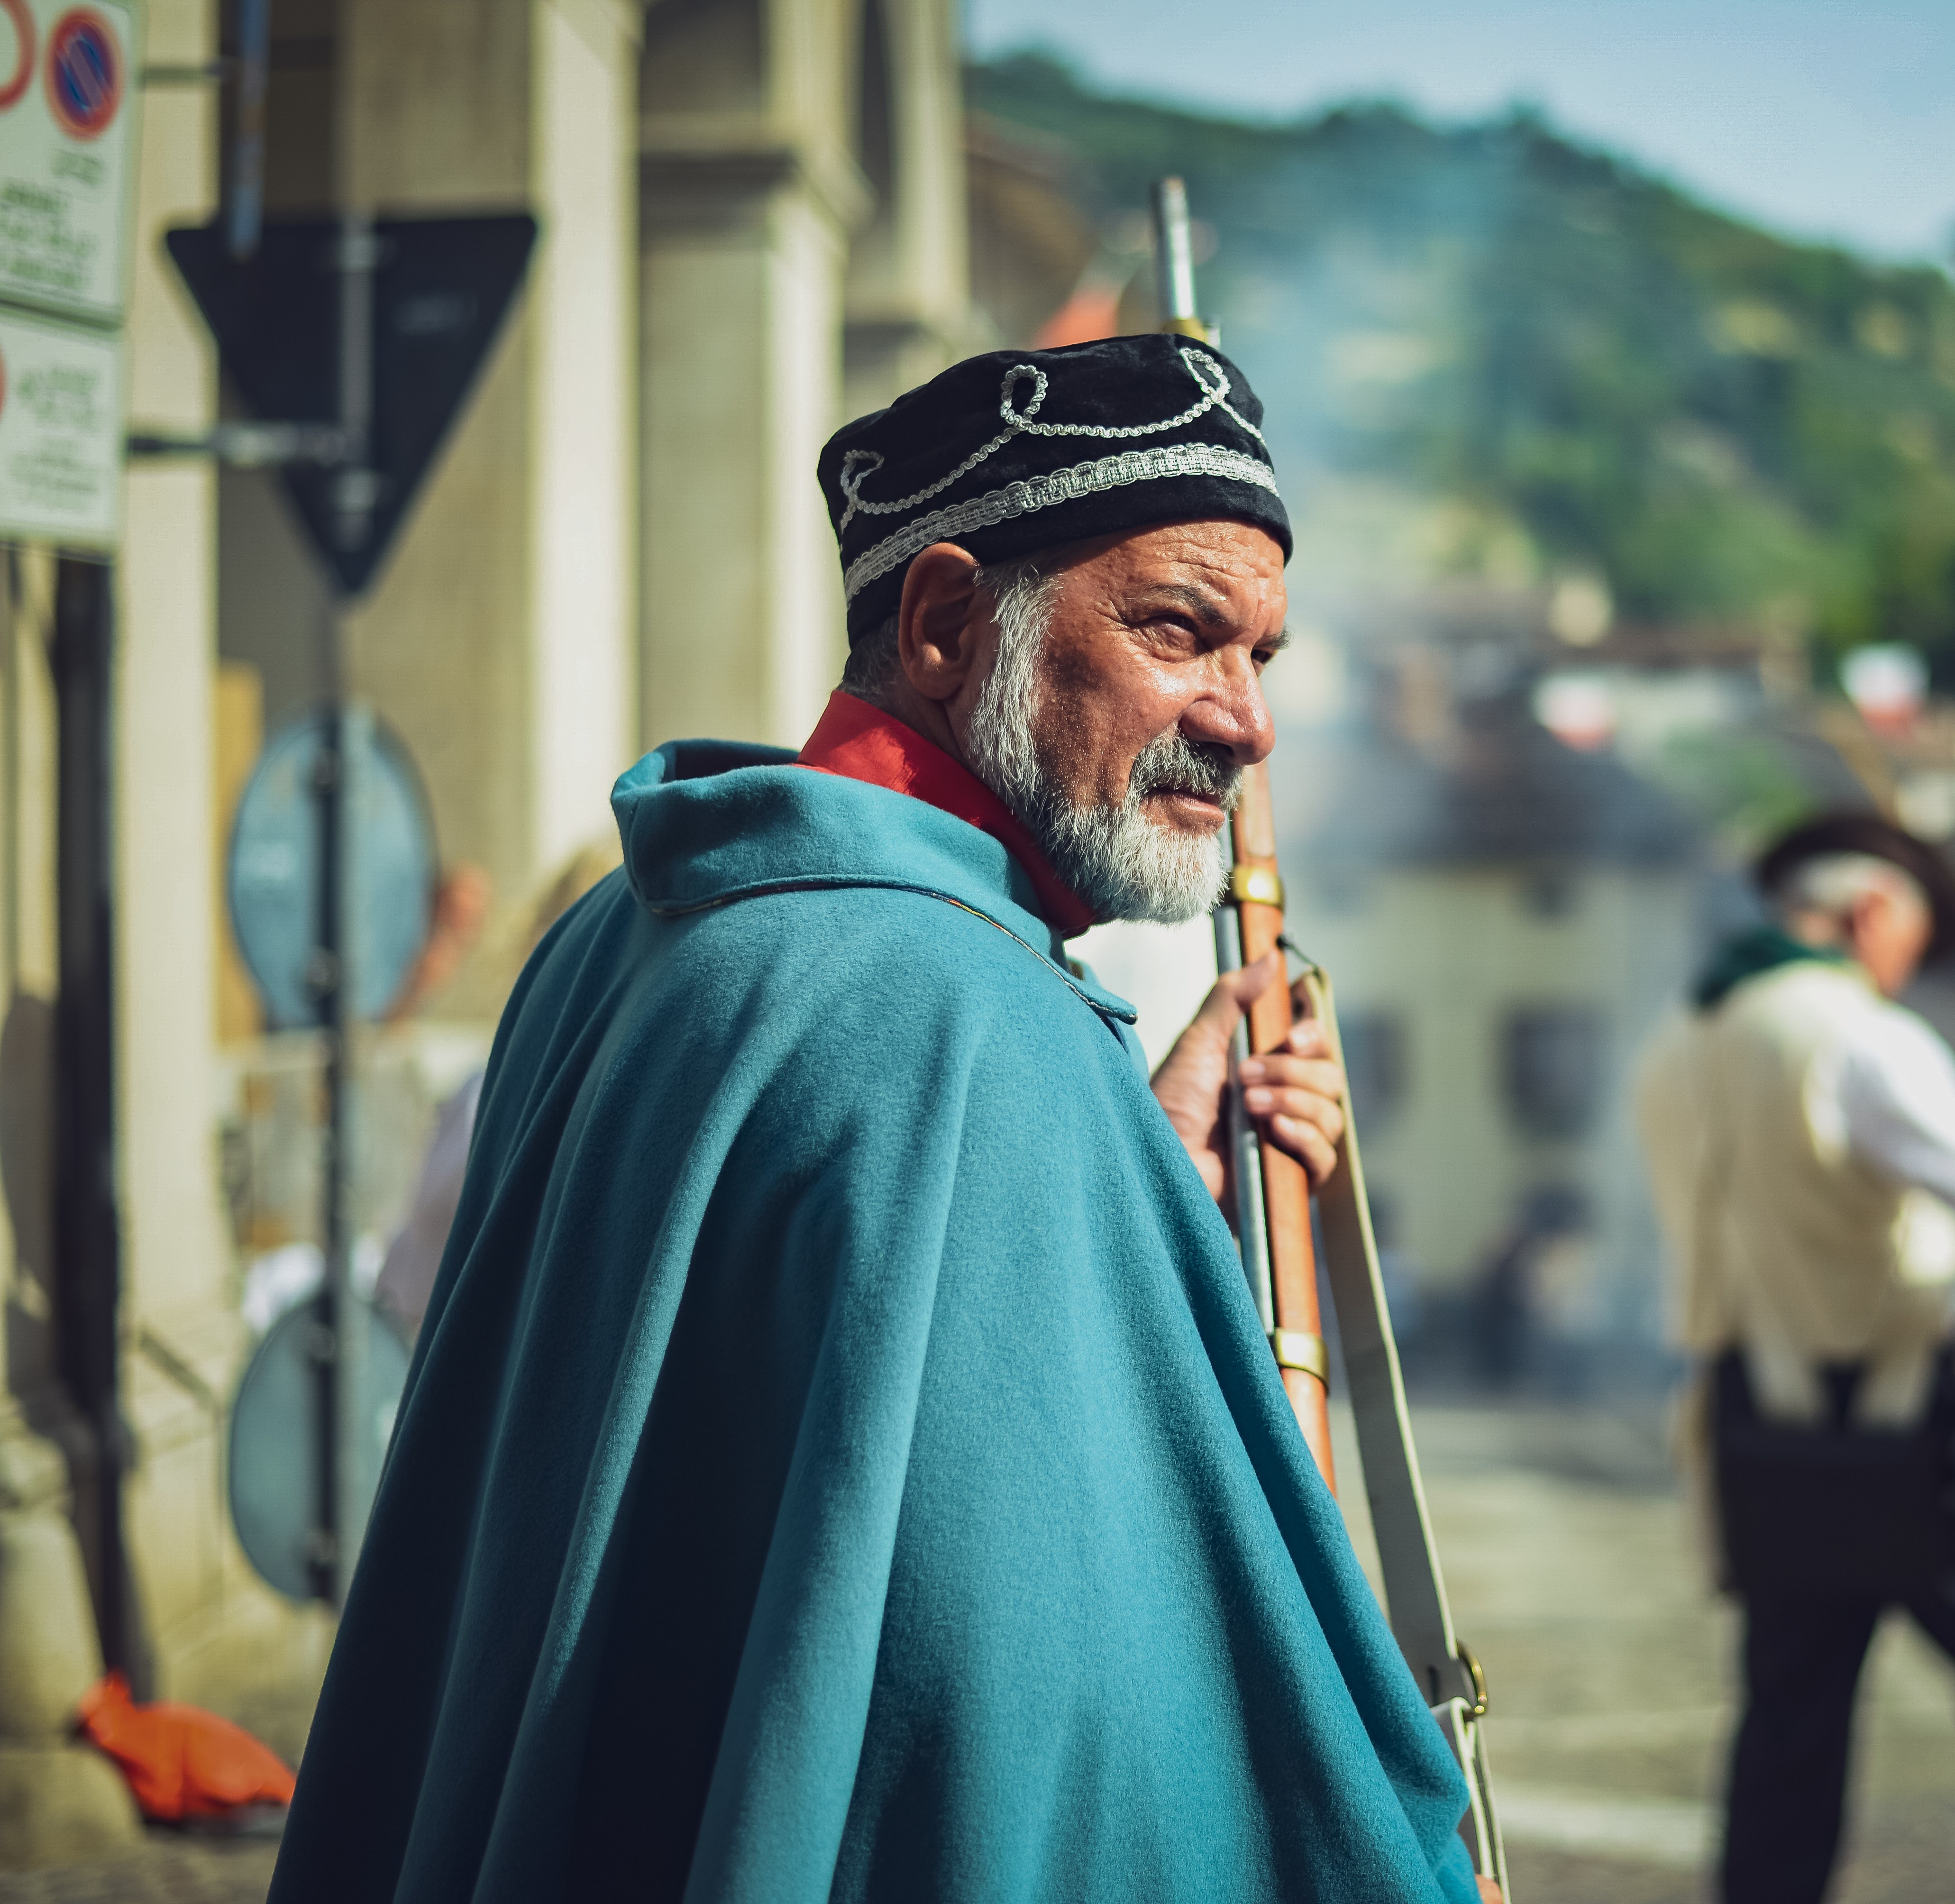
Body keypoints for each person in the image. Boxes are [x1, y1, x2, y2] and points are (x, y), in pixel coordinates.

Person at [269, 334, 1486, 1902]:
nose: (1244, 721)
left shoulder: (633, 926)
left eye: (1263, 657)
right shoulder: (971, 1023)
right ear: (943, 622)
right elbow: (1041, 1728)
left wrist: (1138, 1180)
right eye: (1182, 631)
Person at [1634, 814, 1955, 1904]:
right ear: (1869, 913)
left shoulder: (1678, 1036)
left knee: (1789, 1736)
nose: (1905, 967)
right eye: (1909, 936)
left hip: (1751, 1424)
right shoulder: (1857, 1034)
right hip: (1900, 1426)